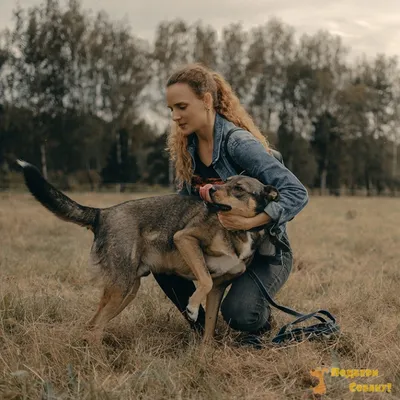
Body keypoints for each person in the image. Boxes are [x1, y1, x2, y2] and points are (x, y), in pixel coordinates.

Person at [153, 63, 309, 347]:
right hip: (220, 248)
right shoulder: (187, 149)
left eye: (182, 107)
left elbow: (296, 192)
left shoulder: (238, 144)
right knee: (160, 258)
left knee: (241, 314)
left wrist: (250, 222)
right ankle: (204, 330)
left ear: (207, 101)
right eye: (171, 109)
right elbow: (184, 205)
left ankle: (258, 316)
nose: (175, 116)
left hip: (263, 254)